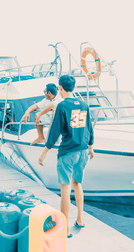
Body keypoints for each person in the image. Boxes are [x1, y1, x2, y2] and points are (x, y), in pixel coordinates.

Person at [38, 75, 95, 238]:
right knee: (77, 184)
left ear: (61, 88)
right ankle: (80, 219)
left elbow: (55, 131)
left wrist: (44, 152)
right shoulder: (83, 104)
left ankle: (66, 229)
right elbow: (89, 127)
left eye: (59, 89)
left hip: (68, 152)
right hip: (83, 151)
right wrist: (91, 147)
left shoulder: (62, 106)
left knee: (65, 189)